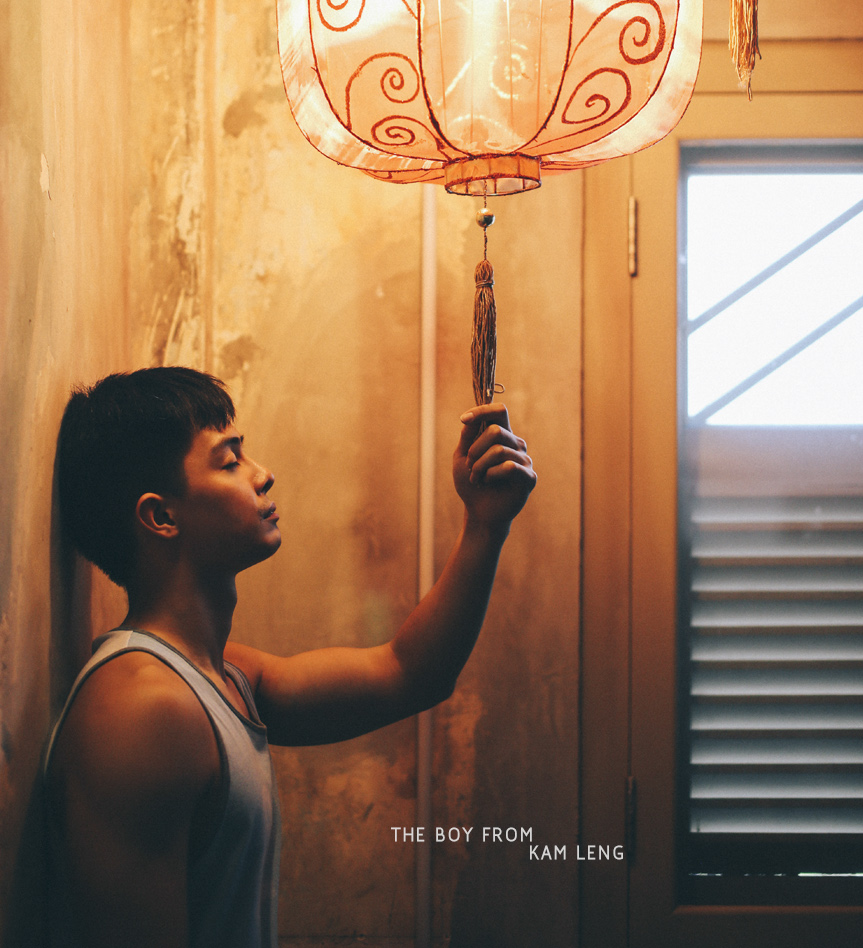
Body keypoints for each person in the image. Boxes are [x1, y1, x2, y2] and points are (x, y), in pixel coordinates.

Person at [44, 366, 536, 948]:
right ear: (162, 517)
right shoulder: (141, 710)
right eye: (229, 461)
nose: (263, 475)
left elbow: (410, 673)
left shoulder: (221, 677)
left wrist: (485, 524)